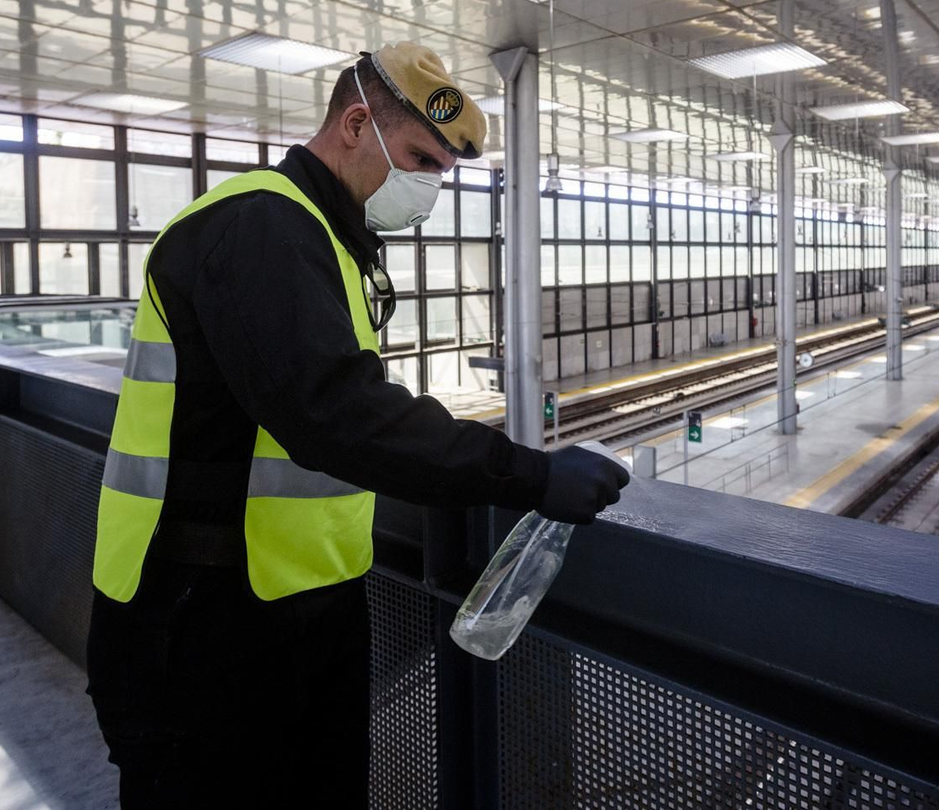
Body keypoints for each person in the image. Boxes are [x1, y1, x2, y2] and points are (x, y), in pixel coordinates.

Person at [86, 41, 629, 807]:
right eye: (420, 159)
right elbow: (336, 413)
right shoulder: (257, 228)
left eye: (442, 170)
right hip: (203, 622)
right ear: (353, 123)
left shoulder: (325, 237)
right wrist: (530, 474)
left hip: (299, 610)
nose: (429, 188)